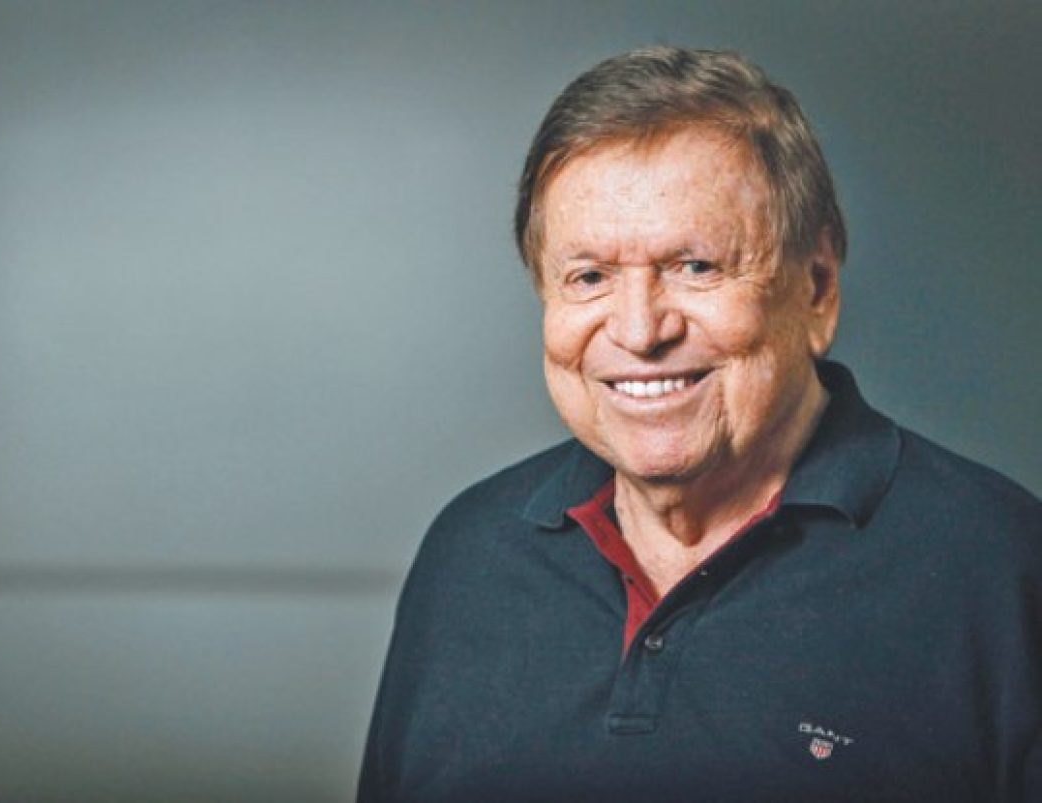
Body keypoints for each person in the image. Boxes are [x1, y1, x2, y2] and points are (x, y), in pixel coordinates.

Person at [357, 46, 1040, 803]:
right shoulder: (470, 555)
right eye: (590, 276)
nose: (640, 330)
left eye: (696, 266)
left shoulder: (1001, 568)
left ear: (816, 288)